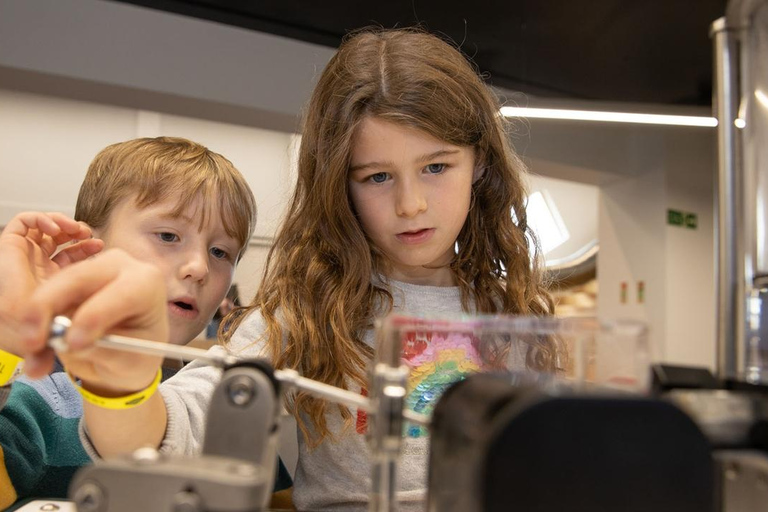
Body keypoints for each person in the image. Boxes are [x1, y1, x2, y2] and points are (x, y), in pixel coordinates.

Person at [14, 28, 560, 511]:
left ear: (479, 163)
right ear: (338, 186)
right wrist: (120, 382)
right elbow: (169, 437)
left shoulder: (518, 312)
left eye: (436, 167)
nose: (411, 203)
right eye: (376, 177)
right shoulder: (305, 316)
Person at [0, 137, 290, 507]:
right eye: (168, 236)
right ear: (86, 247)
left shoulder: (227, 407)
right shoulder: (40, 399)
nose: (199, 268)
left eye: (220, 252)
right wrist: (5, 344)